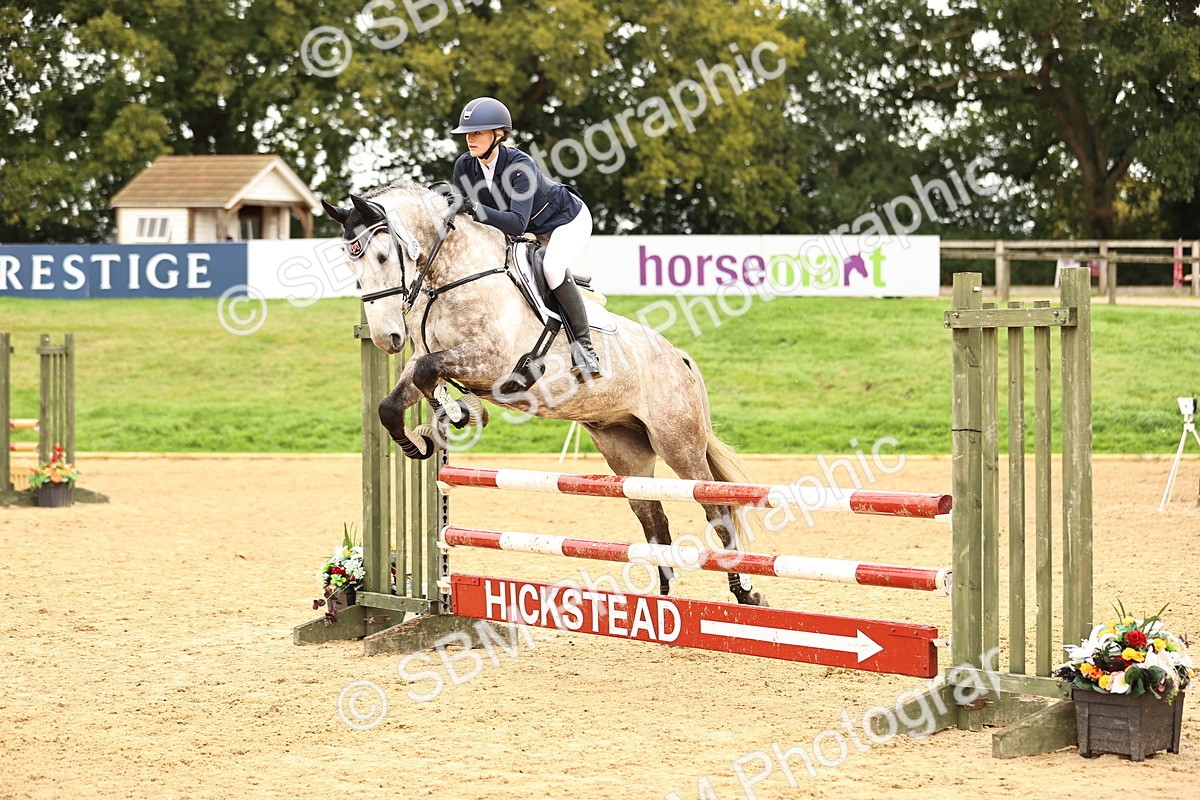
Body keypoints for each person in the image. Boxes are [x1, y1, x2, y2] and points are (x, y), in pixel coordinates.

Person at [449, 96, 601, 379]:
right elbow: (468, 219)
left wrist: (474, 208)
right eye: (468, 134)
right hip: (531, 227)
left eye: (477, 133)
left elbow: (517, 224)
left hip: (567, 221)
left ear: (499, 135)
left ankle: (585, 350)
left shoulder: (520, 166)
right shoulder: (464, 166)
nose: (470, 139)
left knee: (552, 267)